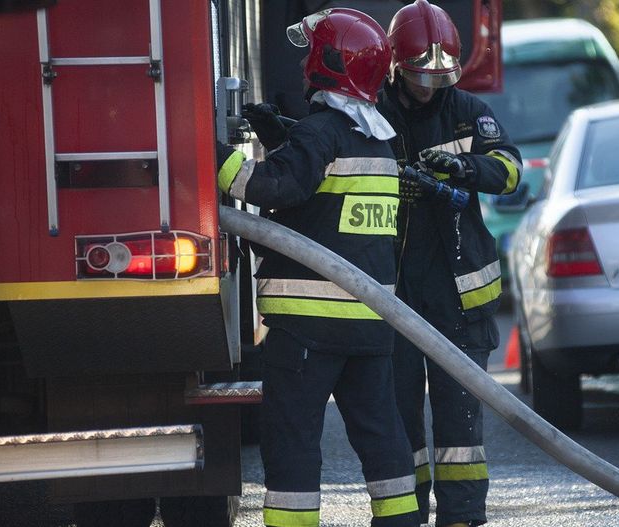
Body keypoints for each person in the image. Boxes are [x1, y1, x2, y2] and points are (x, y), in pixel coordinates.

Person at [216, 8, 420, 527]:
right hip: (370, 325)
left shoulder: (322, 132)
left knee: (293, 439)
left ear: (326, 63)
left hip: (308, 327)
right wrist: (286, 135)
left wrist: (209, 154)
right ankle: (400, 520)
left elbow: (276, 186)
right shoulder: (381, 139)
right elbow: (330, 197)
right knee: (382, 437)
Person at [376, 2, 522, 526]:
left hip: (460, 300)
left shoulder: (466, 110)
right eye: (419, 75)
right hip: (391, 296)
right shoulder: (373, 114)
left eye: (438, 76)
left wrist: (464, 167)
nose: (428, 86)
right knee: (399, 424)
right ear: (396, 64)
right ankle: (404, 517)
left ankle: (461, 518)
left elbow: (509, 170)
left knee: (461, 429)